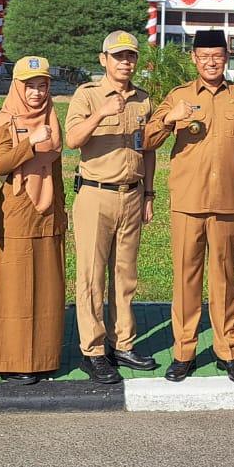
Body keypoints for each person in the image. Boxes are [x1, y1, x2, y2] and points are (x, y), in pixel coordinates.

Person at [143, 28, 234, 384]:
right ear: (194, 59)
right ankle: (184, 351)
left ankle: (229, 351)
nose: (211, 62)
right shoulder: (179, 96)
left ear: (226, 58)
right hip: (187, 202)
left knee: (225, 279)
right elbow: (146, 139)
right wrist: (169, 117)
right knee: (186, 278)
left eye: (218, 56)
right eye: (204, 56)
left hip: (228, 201)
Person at [66, 32, 157, 383]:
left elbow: (147, 149)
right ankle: (93, 350)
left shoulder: (143, 100)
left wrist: (149, 194)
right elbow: (73, 140)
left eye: (131, 56)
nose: (125, 63)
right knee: (91, 275)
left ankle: (123, 342)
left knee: (125, 275)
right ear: (103, 59)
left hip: (131, 194)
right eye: (118, 56)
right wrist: (102, 112)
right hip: (94, 194)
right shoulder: (87, 95)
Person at [0, 56, 67, 383]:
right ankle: (14, 360)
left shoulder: (51, 115)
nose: (36, 92)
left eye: (42, 85)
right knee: (16, 288)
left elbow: (57, 165)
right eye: (29, 86)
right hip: (19, 210)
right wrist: (30, 145)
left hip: (49, 210)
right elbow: (0, 164)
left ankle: (45, 357)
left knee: (49, 286)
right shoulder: (7, 118)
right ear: (17, 87)